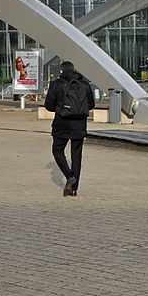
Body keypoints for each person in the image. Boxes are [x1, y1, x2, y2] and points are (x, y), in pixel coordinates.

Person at [44, 61, 95, 197]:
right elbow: (91, 104)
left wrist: (62, 108)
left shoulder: (56, 84)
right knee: (76, 155)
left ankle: (69, 175)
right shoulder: (84, 84)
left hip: (62, 124)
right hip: (79, 125)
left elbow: (48, 105)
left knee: (57, 150)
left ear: (61, 71)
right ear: (74, 69)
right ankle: (73, 189)